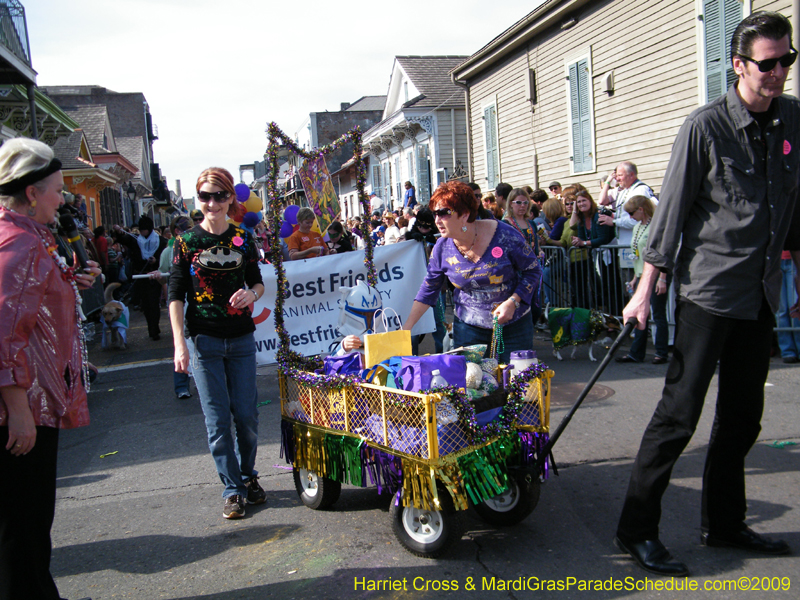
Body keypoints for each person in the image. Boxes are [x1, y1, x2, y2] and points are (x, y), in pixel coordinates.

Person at [614, 11, 799, 576]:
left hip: (760, 294)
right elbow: (667, 216)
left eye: (787, 61)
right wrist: (644, 292)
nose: (778, 73)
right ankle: (636, 529)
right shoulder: (705, 127)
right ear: (739, 66)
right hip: (708, 293)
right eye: (768, 64)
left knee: (744, 418)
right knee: (679, 415)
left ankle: (723, 523)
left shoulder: (793, 119)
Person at [0, 138, 101, 600]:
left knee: (28, 522)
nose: (65, 199)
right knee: (24, 523)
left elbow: (32, 307)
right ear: (32, 192)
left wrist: (71, 281)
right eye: (59, 190)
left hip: (38, 398)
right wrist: (18, 409)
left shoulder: (29, 237)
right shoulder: (17, 244)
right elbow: (4, 336)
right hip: (27, 408)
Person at [169, 167, 266, 520]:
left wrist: (250, 294)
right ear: (199, 200)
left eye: (219, 196)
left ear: (230, 199)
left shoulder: (243, 238)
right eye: (205, 196)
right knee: (217, 422)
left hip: (240, 338)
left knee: (247, 417)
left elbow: (259, 282)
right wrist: (180, 344)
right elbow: (175, 294)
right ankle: (232, 489)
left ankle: (248, 475)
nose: (212, 203)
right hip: (204, 340)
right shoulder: (186, 242)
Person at [402, 181, 541, 363]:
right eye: (435, 213)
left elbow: (533, 270)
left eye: (444, 213)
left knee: (517, 385)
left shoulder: (505, 235)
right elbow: (429, 290)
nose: (437, 220)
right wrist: (406, 329)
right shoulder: (441, 248)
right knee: (473, 387)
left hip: (514, 326)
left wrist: (514, 301)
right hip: (468, 329)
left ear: (465, 214)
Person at [614, 196, 670, 364]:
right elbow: (639, 256)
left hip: (657, 275)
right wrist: (634, 278)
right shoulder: (638, 227)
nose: (630, 217)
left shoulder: (656, 226)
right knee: (639, 315)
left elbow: (662, 253)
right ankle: (636, 353)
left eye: (631, 213)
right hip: (641, 275)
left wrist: (663, 278)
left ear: (641, 209)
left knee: (658, 314)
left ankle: (661, 352)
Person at [150, 215, 194, 399]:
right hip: (180, 301)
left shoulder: (198, 244)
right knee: (181, 341)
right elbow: (163, 278)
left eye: (191, 226)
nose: (189, 230)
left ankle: (206, 383)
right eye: (185, 228)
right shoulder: (168, 252)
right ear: (176, 231)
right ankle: (182, 386)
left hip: (197, 300)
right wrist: (158, 276)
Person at [114, 215, 167, 340]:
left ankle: (155, 329)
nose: (142, 232)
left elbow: (165, 259)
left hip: (154, 276)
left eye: (144, 229)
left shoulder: (160, 241)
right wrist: (118, 231)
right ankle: (151, 327)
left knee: (154, 303)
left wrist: (156, 260)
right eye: (141, 229)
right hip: (141, 276)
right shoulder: (135, 240)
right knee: (146, 305)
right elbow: (122, 239)